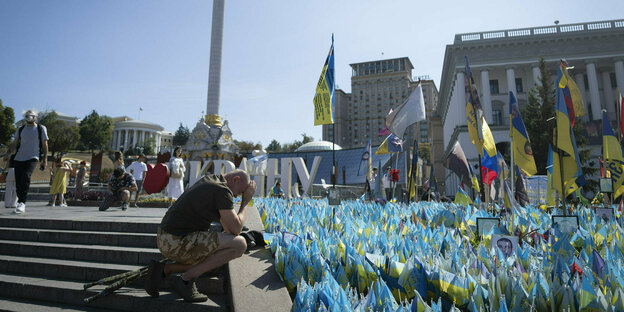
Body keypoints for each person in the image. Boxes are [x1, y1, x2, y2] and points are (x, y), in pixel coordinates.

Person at [144, 170, 256, 302]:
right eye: (241, 191)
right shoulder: (222, 190)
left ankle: (164, 270)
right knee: (239, 244)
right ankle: (186, 280)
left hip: (166, 237)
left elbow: (229, 230)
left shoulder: (212, 180)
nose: (237, 195)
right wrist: (245, 202)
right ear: (235, 179)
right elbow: (236, 229)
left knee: (218, 260)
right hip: (177, 241)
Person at [2, 110, 49, 214]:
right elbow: (14, 143)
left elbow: (45, 145)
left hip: (33, 157)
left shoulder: (41, 128)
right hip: (19, 157)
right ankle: (20, 202)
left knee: (26, 176)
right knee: (18, 181)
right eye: (27, 116)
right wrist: (8, 153)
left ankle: (22, 202)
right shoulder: (20, 129)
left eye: (31, 115)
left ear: (35, 117)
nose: (29, 117)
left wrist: (44, 159)